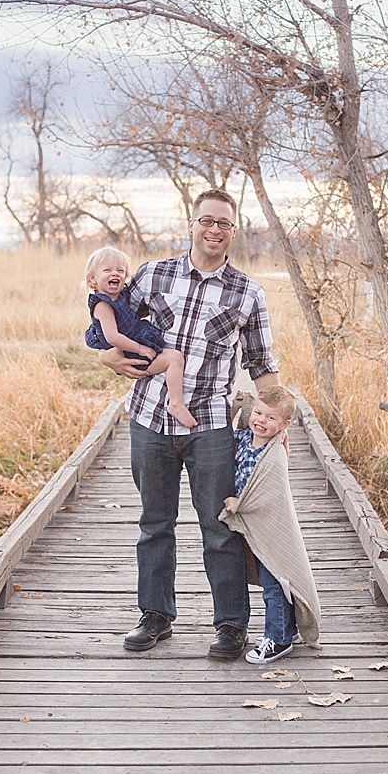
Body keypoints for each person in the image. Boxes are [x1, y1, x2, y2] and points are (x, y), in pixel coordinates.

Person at [114, 189, 283, 666]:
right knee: (154, 523)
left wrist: (278, 420)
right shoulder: (153, 275)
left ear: (234, 230)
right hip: (149, 417)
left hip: (211, 423)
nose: (213, 230)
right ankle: (155, 616)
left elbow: (262, 365)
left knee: (220, 526)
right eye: (206, 221)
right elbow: (108, 322)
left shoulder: (247, 292)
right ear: (191, 224)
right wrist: (107, 355)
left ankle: (231, 625)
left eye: (223, 224)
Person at [221, 381, 319, 665]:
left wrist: (240, 504)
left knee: (274, 580)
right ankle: (286, 629)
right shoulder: (244, 438)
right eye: (259, 413)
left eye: (271, 417)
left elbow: (269, 491)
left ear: (284, 425)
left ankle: (277, 639)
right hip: (254, 525)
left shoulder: (273, 453)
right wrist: (236, 409)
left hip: (268, 525)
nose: (262, 421)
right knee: (274, 578)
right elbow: (224, 438)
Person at [82, 253, 190, 427]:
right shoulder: (102, 305)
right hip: (129, 352)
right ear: (93, 279)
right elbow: (113, 337)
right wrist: (140, 348)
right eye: (107, 270)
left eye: (120, 270)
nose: (115, 274)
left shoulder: (120, 295)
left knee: (173, 358)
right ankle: (176, 403)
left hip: (134, 341)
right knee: (174, 359)